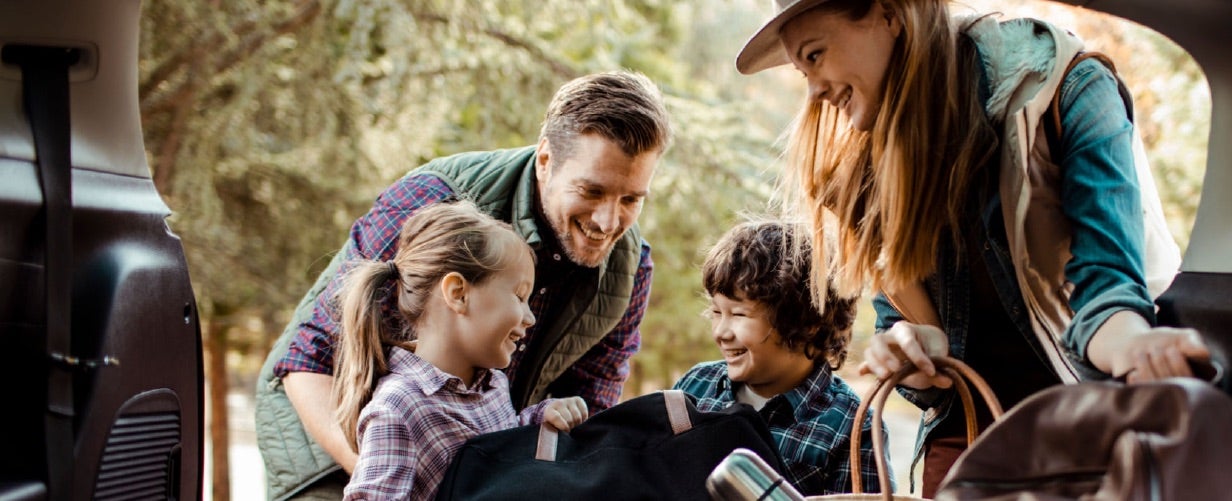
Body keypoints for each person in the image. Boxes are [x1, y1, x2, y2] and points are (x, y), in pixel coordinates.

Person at [733, 0, 1211, 495]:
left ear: (890, 15)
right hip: (968, 448)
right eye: (800, 70)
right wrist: (905, 353)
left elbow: (1108, 289)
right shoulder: (867, 170)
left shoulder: (1068, 89)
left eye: (814, 55)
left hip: (1084, 436)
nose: (813, 91)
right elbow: (905, 325)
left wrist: (1138, 347)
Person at [254, 70, 672, 500]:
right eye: (592, 190)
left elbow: (586, 416)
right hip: (333, 441)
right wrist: (399, 477)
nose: (607, 221)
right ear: (546, 160)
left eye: (630, 200)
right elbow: (309, 360)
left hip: (472, 460)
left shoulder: (630, 269)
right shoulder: (433, 201)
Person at [333, 201, 589, 500]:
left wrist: (539, 420)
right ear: (458, 293)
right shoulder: (398, 409)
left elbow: (498, 457)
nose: (529, 317)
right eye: (519, 296)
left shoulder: (491, 384)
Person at [672, 220, 891, 496]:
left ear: (808, 321)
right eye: (716, 312)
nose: (721, 332)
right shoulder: (695, 386)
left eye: (739, 314)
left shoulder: (854, 429)